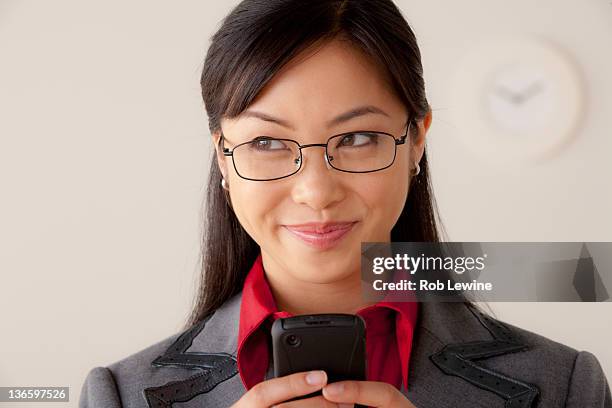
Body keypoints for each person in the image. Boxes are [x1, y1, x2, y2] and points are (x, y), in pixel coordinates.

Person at [79, 1, 612, 407]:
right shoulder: (121, 395)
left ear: (416, 140)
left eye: (357, 138)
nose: (316, 191)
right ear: (223, 155)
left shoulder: (565, 386)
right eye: (266, 142)